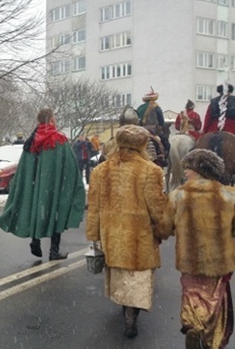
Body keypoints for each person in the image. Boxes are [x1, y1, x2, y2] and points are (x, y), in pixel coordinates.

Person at [86, 124, 169, 339]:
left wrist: (94, 233)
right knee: (138, 277)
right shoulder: (151, 170)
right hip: (139, 236)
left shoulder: (101, 170)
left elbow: (93, 206)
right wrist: (164, 228)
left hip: (112, 235)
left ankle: (126, 309)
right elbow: (157, 207)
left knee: (120, 275)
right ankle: (132, 314)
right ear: (142, 144)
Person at [162, 149, 235, 349]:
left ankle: (193, 326)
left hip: (189, 260)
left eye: (189, 168)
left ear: (201, 170)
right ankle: (211, 339)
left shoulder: (178, 195)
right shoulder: (230, 195)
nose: (185, 172)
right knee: (216, 299)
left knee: (191, 293)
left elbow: (165, 227)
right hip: (220, 261)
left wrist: (160, 233)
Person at [0, 108, 86, 261]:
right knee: (56, 214)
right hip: (53, 187)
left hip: (34, 186)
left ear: (38, 122)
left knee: (36, 210)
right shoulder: (59, 140)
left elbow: (23, 168)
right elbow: (70, 167)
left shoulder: (31, 142)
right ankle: (53, 251)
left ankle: (35, 243)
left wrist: (26, 186)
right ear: (51, 120)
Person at [137, 88, 169, 159]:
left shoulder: (140, 107)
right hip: (153, 130)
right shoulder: (156, 107)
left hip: (140, 130)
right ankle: (164, 158)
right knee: (166, 143)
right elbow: (161, 121)